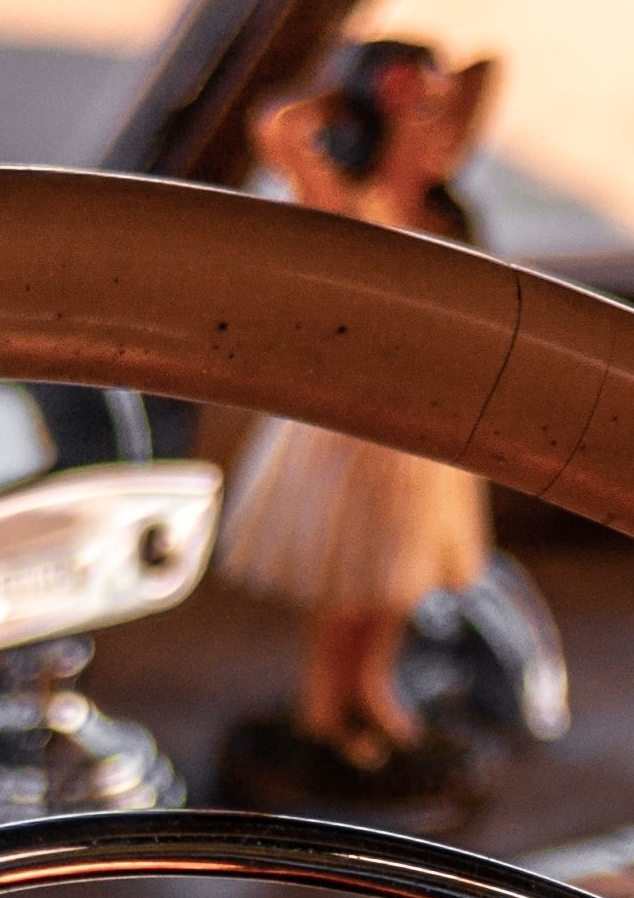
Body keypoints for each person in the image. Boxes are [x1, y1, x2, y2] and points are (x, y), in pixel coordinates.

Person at [207, 40, 506, 816]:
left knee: (394, 580)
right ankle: (323, 707)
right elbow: (279, 130)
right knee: (347, 578)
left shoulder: (442, 212)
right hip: (349, 424)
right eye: (419, 109)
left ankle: (369, 692)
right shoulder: (345, 195)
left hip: (422, 425)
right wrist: (349, 97)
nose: (435, 127)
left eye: (439, 111)